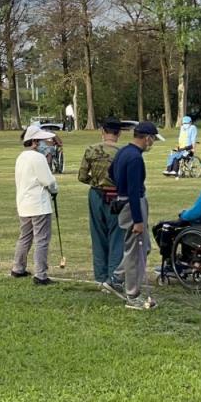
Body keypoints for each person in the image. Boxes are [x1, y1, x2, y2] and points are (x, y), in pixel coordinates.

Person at [101, 121, 164, 310]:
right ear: (147, 138)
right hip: (132, 204)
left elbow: (111, 172)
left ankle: (117, 278)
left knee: (141, 248)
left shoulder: (122, 152)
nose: (152, 144)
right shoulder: (136, 158)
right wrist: (138, 220)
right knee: (136, 250)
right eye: (152, 140)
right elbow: (135, 191)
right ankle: (133, 294)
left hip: (123, 201)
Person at [10, 124, 60, 286]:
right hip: (38, 205)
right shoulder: (37, 158)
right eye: (42, 141)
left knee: (25, 237)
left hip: (24, 204)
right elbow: (48, 181)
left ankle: (18, 268)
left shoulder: (20, 157)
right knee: (41, 239)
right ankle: (41, 274)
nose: (46, 144)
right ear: (34, 142)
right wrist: (54, 189)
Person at [77, 117, 125, 284]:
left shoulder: (91, 150)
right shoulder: (123, 152)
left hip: (96, 194)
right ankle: (114, 276)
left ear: (102, 132)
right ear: (118, 133)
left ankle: (100, 276)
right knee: (117, 236)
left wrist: (96, 182)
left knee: (98, 235)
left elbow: (82, 176)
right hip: (117, 197)